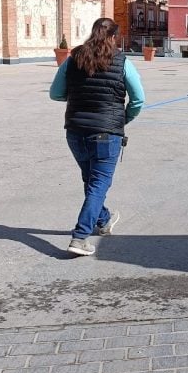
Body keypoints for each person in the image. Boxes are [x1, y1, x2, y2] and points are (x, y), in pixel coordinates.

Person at [49, 18, 145, 256]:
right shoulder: (122, 61)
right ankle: (80, 237)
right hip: (106, 133)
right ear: (113, 37)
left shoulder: (74, 59)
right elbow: (138, 99)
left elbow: (55, 93)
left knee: (91, 181)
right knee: (98, 184)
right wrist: (123, 118)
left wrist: (76, 100)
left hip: (75, 131)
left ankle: (103, 220)